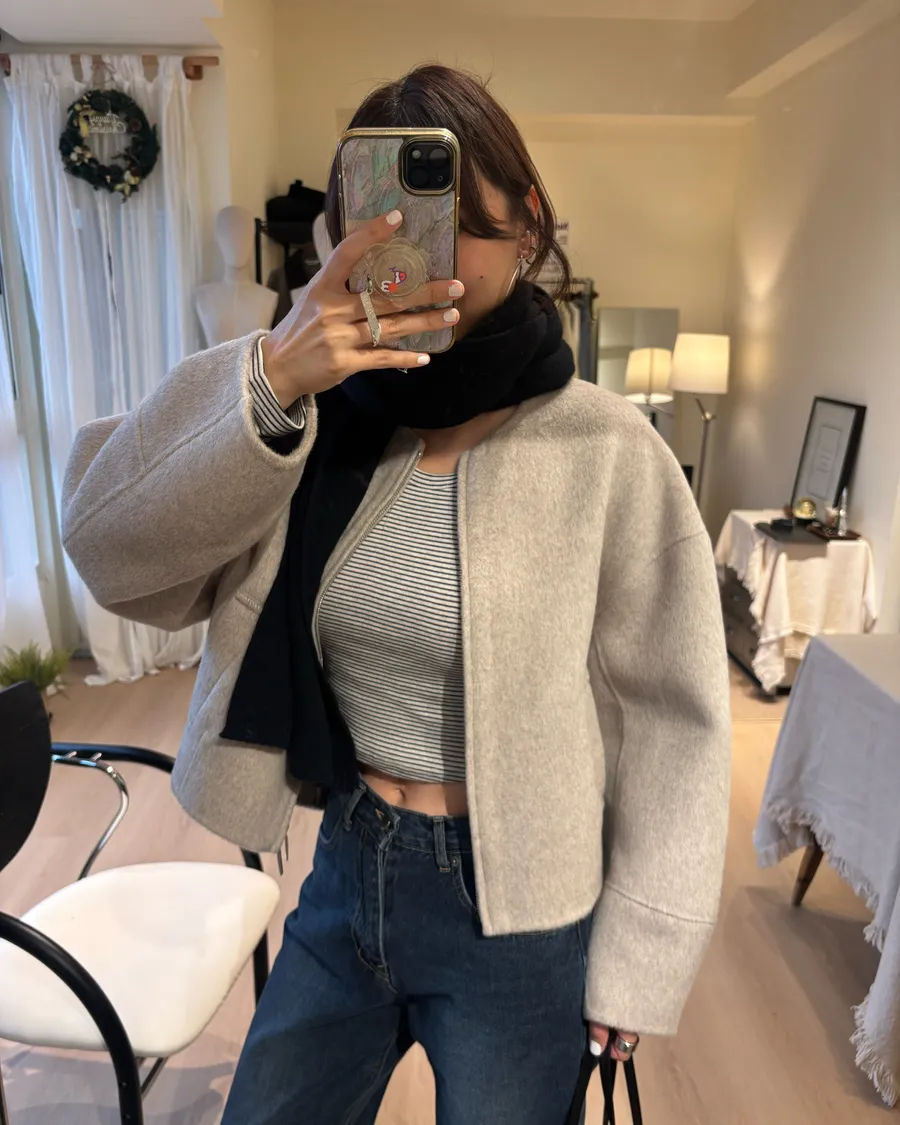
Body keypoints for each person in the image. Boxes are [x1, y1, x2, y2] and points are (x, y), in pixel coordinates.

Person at [62, 64, 731, 1125]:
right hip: (348, 868)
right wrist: (273, 378)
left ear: (528, 226)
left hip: (523, 910)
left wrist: (642, 950)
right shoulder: (310, 418)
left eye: (453, 214)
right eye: (381, 215)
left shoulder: (605, 449)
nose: (417, 248)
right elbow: (111, 552)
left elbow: (675, 720)